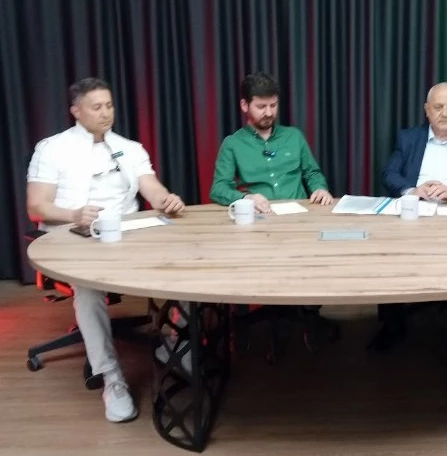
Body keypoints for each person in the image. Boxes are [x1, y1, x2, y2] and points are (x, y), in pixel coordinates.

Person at [26, 77, 186, 422]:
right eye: (96, 107)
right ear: (76, 111)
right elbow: (36, 206)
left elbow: (151, 188)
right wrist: (73, 214)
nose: (106, 113)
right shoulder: (52, 148)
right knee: (88, 291)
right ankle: (112, 379)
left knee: (187, 263)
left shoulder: (129, 148)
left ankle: (176, 342)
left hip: (127, 233)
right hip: (73, 235)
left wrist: (165, 199)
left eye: (109, 105)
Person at [209, 72, 334, 351]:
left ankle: (310, 314)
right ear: (245, 105)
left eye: (273, 105)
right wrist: (246, 197)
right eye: (261, 106)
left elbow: (312, 172)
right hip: (258, 226)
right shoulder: (233, 144)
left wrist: (320, 188)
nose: (268, 113)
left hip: (300, 224)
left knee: (321, 252)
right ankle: (245, 318)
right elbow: (218, 189)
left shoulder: (294, 136)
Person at [372, 82, 447, 350]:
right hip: (416, 212)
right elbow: (389, 174)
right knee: (387, 253)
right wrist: (412, 190)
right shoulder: (409, 138)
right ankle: (393, 324)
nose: (444, 113)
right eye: (438, 107)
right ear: (427, 110)